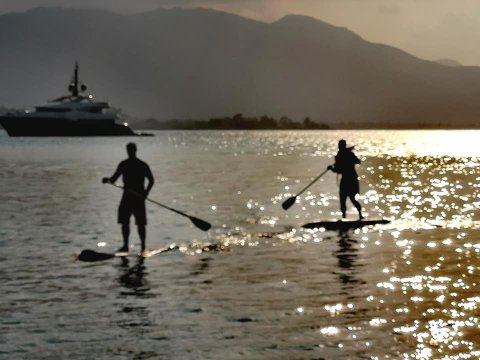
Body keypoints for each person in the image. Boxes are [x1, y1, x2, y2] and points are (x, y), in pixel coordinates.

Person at [103, 143, 154, 253]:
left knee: (140, 224)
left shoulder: (141, 164)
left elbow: (151, 180)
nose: (130, 152)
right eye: (129, 150)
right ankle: (126, 246)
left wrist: (146, 193)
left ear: (134, 151)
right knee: (124, 222)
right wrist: (107, 180)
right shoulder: (124, 164)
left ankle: (143, 247)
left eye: (131, 150)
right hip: (127, 197)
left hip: (139, 197)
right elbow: (113, 179)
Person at [328, 139, 364, 220]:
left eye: (340, 145)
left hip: (350, 179)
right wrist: (332, 168)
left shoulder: (343, 155)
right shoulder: (343, 155)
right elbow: (339, 169)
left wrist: (331, 168)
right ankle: (346, 217)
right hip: (349, 179)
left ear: (342, 146)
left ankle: (359, 215)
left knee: (349, 198)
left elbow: (357, 161)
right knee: (344, 199)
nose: (339, 147)